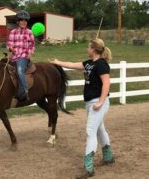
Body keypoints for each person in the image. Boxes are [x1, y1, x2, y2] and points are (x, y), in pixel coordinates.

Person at [49, 38, 115, 178]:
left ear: (94, 49)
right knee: (99, 129)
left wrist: (100, 102)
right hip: (91, 102)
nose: (87, 49)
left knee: (90, 131)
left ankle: (88, 168)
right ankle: (108, 156)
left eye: (88, 47)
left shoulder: (102, 65)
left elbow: (106, 84)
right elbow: (72, 65)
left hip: (98, 102)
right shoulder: (89, 63)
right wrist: (57, 62)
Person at [7, 10, 35, 101]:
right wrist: (11, 48)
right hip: (14, 57)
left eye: (25, 20)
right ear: (18, 21)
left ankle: (24, 90)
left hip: (24, 57)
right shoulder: (13, 32)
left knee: (19, 70)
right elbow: (9, 44)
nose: (24, 22)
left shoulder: (29, 32)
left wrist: (30, 53)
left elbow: (32, 45)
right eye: (22, 20)